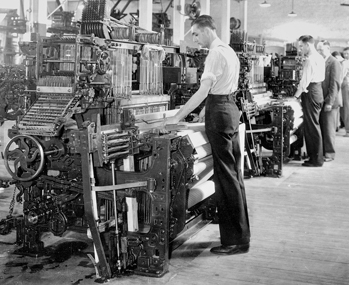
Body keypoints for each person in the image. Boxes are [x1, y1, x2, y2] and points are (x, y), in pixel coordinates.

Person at [165, 15, 250, 255]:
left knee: (225, 178)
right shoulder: (229, 51)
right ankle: (240, 237)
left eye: (195, 33)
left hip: (220, 115)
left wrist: (177, 117)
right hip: (230, 110)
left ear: (206, 31)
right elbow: (221, 89)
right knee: (234, 175)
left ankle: (233, 241)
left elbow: (204, 90)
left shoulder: (214, 53)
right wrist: (204, 111)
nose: (194, 38)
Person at [294, 35, 325, 167]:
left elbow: (304, 82)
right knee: (314, 125)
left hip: (311, 92)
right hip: (317, 91)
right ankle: (315, 157)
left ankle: (316, 159)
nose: (300, 49)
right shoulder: (320, 57)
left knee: (311, 127)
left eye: (301, 46)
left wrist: (295, 96)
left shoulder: (310, 60)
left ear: (308, 45)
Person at [316, 40, 342, 161]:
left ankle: (330, 154)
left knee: (328, 128)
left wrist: (330, 102)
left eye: (321, 49)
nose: (319, 51)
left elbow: (335, 84)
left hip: (330, 102)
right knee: (322, 127)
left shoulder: (334, 62)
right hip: (322, 100)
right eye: (318, 49)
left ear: (328, 49)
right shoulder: (322, 61)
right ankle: (322, 152)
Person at [341, 47, 349, 137]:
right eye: (345, 54)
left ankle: (348, 130)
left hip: (346, 85)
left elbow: (341, 76)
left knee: (346, 108)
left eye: (347, 53)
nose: (346, 55)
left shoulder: (345, 63)